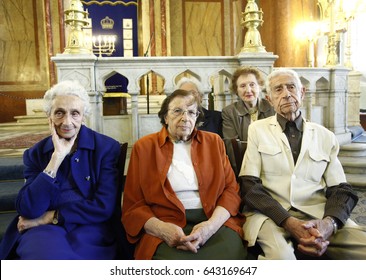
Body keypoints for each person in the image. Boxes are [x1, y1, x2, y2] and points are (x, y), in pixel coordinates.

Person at [238, 68, 366, 260]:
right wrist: (288, 221)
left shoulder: (325, 136)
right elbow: (249, 186)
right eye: (278, 89)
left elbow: (341, 189)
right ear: (269, 98)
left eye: (291, 87)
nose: (287, 94)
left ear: (302, 92)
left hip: (318, 214)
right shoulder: (257, 130)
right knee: (282, 259)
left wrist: (329, 224)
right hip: (271, 216)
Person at [0, 80, 121, 260]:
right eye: (59, 113)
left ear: (84, 116)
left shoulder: (106, 148)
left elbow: (104, 206)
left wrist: (51, 216)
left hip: (89, 226)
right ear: (49, 116)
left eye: (75, 114)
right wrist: (56, 159)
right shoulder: (35, 154)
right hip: (43, 230)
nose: (67, 122)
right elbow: (29, 209)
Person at [122, 89, 246, 260]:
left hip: (213, 219)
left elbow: (231, 190)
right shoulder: (144, 147)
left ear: (197, 117)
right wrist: (162, 230)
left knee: (229, 257)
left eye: (191, 112)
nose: (185, 117)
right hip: (165, 222)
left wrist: (210, 227)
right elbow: (134, 203)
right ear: (165, 117)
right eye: (177, 111)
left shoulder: (213, 142)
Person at [222, 66, 274, 176]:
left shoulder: (273, 107)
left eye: (252, 84)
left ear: (259, 86)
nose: (248, 90)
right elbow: (232, 146)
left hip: (272, 164)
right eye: (242, 86)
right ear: (236, 90)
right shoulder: (229, 112)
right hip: (244, 166)